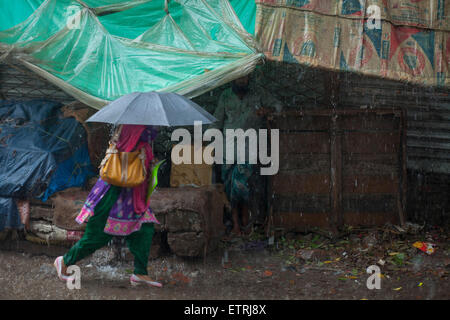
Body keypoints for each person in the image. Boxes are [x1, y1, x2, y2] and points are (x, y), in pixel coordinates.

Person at [54, 125, 162, 288]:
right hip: (112, 194)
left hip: (134, 196)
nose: (155, 130)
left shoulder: (143, 142)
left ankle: (140, 272)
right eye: (151, 128)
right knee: (98, 236)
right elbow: (127, 153)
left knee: (144, 229)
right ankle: (65, 261)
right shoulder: (130, 131)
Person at [211, 74, 282, 237]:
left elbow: (279, 106)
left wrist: (267, 111)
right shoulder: (225, 96)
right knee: (230, 188)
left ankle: (246, 222)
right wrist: (208, 141)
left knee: (245, 186)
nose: (242, 81)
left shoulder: (258, 94)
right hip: (229, 149)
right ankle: (236, 224)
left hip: (249, 148)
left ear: (250, 78)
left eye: (245, 78)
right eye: (239, 78)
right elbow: (217, 122)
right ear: (233, 79)